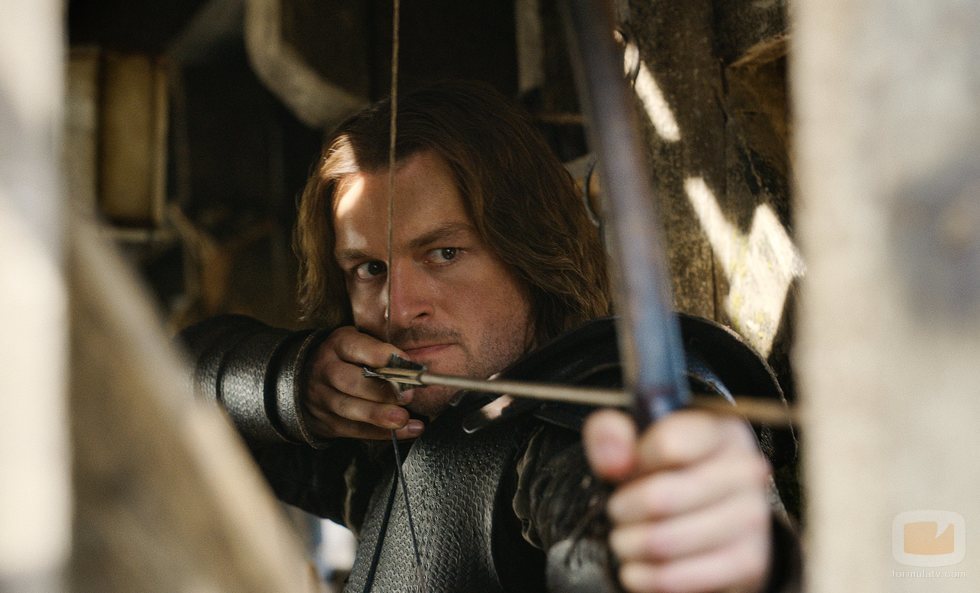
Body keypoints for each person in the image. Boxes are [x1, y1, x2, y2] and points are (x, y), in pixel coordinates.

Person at [181, 80, 800, 593]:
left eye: (444, 253)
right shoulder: (391, 442)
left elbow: (598, 504)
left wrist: (679, 545)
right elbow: (168, 383)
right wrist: (293, 381)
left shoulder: (576, 417)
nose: (398, 308)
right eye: (369, 268)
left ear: (531, 254)